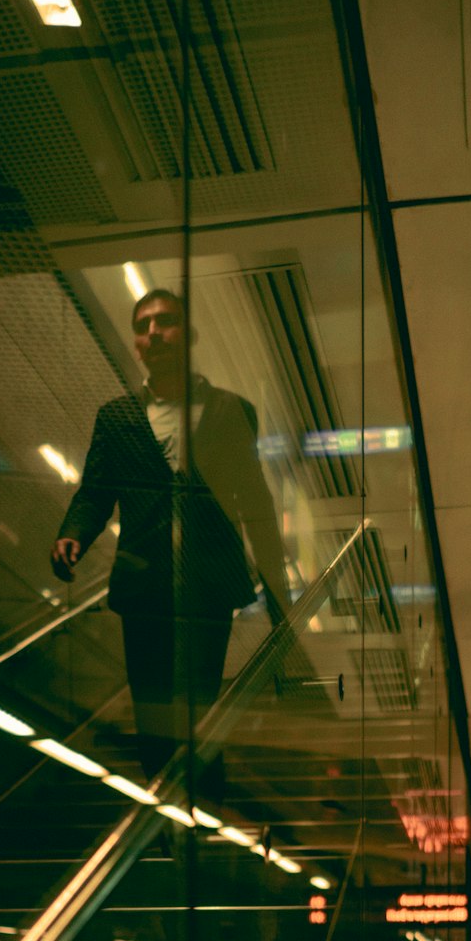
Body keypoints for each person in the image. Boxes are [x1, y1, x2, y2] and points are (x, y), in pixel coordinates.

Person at [50, 289, 289, 781]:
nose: (153, 333)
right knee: (153, 707)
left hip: (209, 578)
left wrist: (277, 584)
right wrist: (73, 534)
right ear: (136, 345)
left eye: (165, 322)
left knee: (201, 702)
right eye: (143, 326)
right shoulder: (116, 417)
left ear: (189, 335)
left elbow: (254, 498)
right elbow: (96, 491)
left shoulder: (231, 410)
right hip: (145, 583)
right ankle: (163, 814)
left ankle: (204, 809)